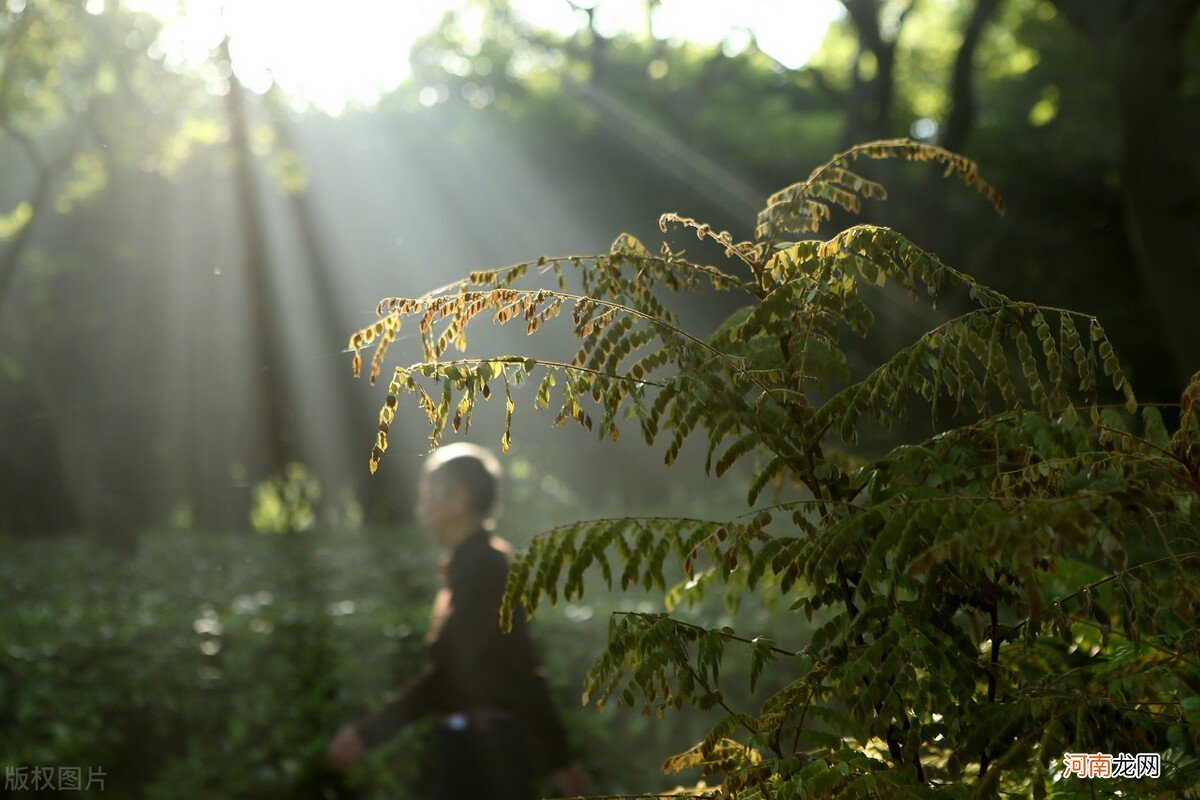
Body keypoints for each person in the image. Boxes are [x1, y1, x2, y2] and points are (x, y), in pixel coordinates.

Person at [326, 443, 590, 800]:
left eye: (428, 496)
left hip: (482, 757)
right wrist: (558, 759)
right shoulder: (480, 568)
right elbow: (525, 668)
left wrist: (367, 734)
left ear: (459, 499)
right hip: (477, 750)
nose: (422, 511)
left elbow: (456, 671)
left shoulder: (485, 570)